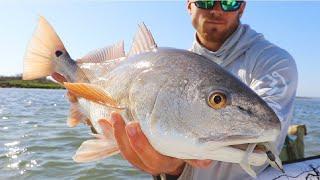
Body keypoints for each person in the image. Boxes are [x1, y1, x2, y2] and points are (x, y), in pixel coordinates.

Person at [53, 0, 298, 179]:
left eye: (229, 2)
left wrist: (174, 168)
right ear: (188, 4)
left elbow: (266, 134)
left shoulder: (273, 61)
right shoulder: (177, 65)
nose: (216, 9)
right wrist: (86, 107)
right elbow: (110, 113)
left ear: (242, 7)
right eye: (205, 0)